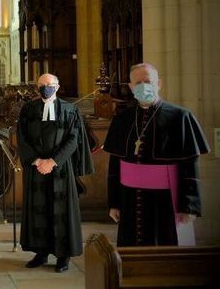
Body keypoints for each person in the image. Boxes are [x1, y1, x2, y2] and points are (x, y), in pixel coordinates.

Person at [104, 63, 209, 246]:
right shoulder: (122, 120)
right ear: (130, 87)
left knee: (168, 252)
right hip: (129, 199)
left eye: (148, 81)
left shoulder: (180, 117)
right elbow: (115, 164)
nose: (143, 86)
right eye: (138, 83)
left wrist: (189, 206)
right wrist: (114, 202)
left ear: (159, 84)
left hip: (166, 201)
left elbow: (190, 165)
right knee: (131, 252)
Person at [16, 73, 93, 273]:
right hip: (36, 168)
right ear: (36, 88)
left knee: (61, 212)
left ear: (57, 87)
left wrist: (53, 161)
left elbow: (74, 139)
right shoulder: (28, 109)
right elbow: (22, 137)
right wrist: (36, 160)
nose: (46, 88)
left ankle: (63, 256)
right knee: (38, 210)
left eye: (49, 85)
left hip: (61, 169)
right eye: (42, 85)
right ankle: (40, 253)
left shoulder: (70, 110)